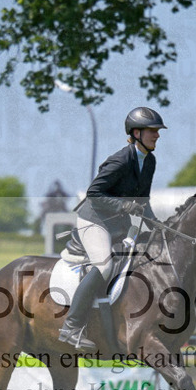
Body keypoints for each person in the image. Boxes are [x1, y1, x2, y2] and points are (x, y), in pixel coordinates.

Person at [59, 107, 166, 349]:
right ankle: (71, 327)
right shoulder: (120, 160)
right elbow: (94, 194)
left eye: (158, 131)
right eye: (152, 131)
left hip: (118, 224)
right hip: (94, 220)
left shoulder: (149, 161)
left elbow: (143, 200)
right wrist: (124, 204)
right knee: (104, 265)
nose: (157, 135)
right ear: (136, 133)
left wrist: (157, 226)